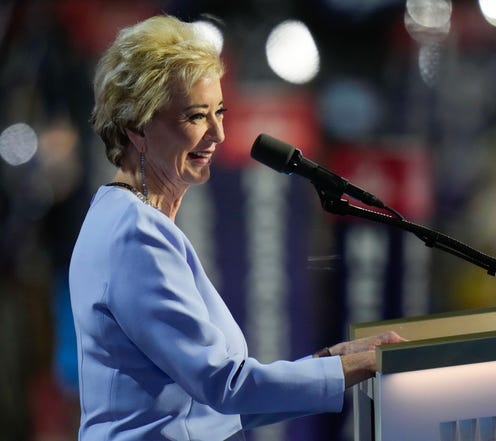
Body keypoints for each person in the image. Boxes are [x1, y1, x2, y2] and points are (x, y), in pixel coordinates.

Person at [68, 14, 405, 441]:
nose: (219, 134)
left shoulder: (123, 218)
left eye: (220, 113)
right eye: (196, 117)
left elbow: (213, 407)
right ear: (138, 128)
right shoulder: (135, 235)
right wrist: (359, 365)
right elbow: (225, 387)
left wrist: (329, 361)